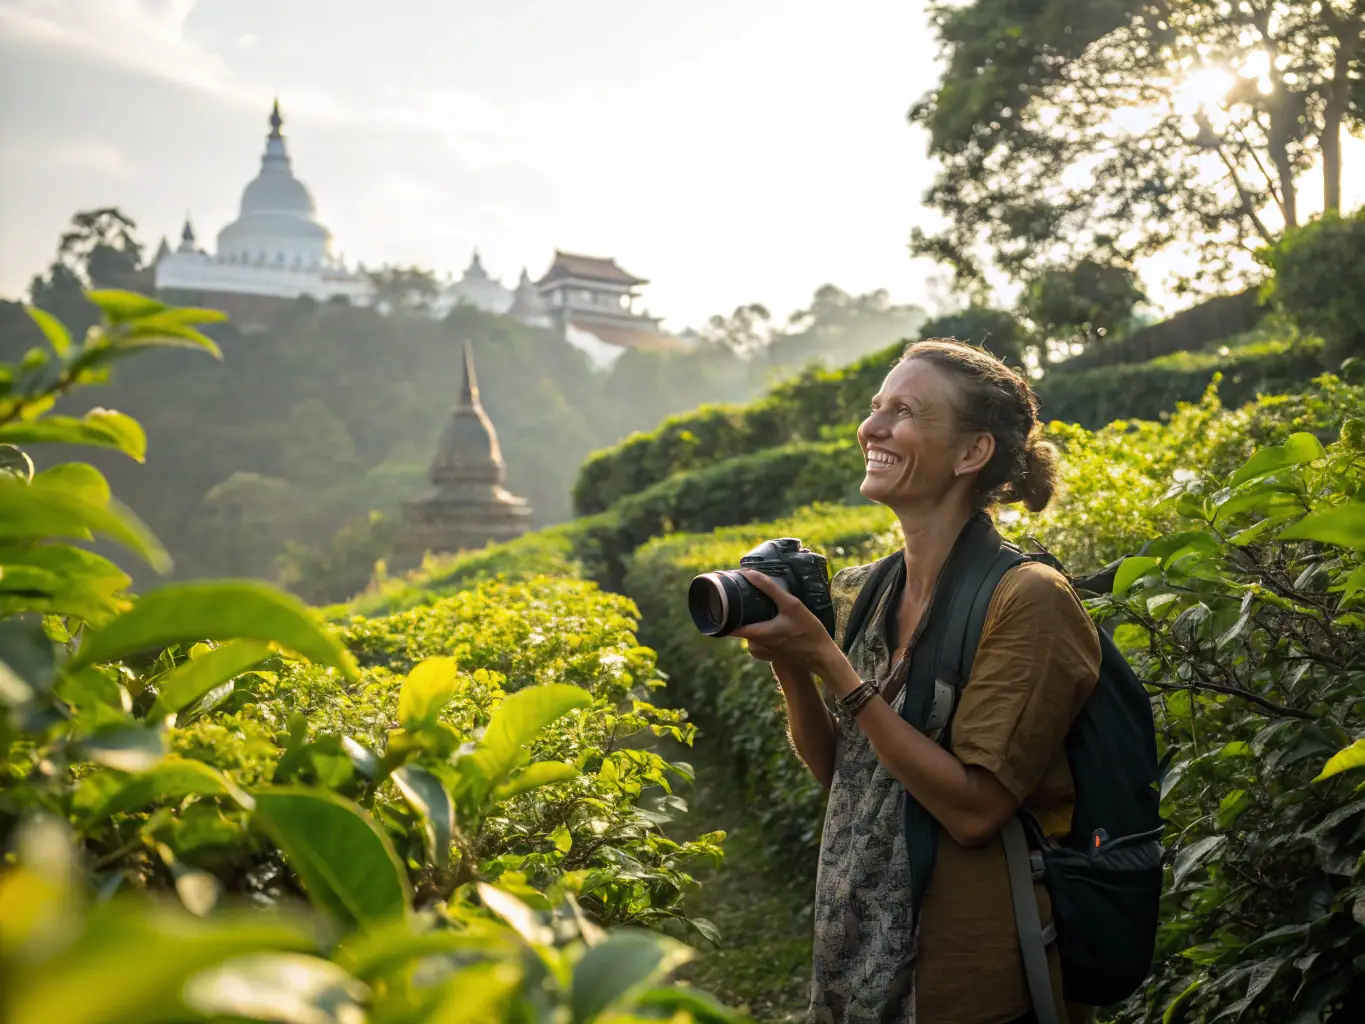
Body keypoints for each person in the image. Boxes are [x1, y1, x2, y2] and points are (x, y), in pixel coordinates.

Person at [731, 339, 1102, 1024]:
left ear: (971, 453)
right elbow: (842, 772)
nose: (871, 427)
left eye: (904, 411)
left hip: (964, 971)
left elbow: (973, 811)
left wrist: (834, 669)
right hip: (857, 948)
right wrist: (793, 663)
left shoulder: (1028, 599)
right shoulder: (876, 588)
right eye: (875, 407)